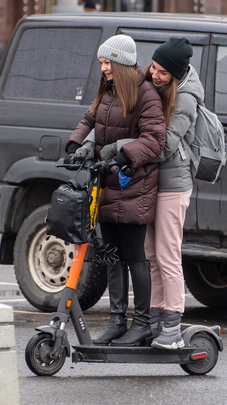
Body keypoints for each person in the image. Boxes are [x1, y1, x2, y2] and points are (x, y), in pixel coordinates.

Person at [65, 34, 166, 346]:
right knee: (110, 255)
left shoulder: (145, 94)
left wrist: (122, 156)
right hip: (106, 185)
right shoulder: (108, 92)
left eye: (107, 62)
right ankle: (117, 321)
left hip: (134, 185)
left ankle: (143, 324)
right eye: (102, 62)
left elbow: (154, 140)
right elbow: (90, 119)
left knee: (136, 256)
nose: (103, 67)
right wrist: (75, 145)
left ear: (121, 62)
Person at [143, 37, 201, 350]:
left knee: (167, 255)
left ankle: (172, 324)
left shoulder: (187, 98)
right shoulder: (155, 84)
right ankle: (154, 320)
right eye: (153, 67)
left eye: (163, 72)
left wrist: (129, 152)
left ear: (177, 74)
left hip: (174, 184)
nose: (155, 74)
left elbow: (164, 145)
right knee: (151, 255)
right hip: (152, 181)